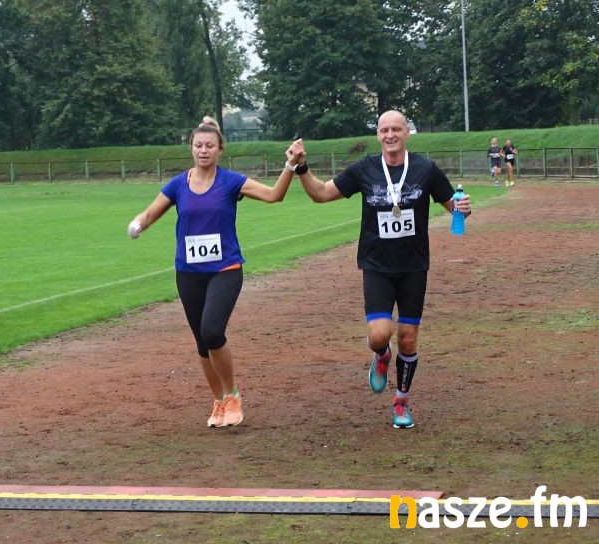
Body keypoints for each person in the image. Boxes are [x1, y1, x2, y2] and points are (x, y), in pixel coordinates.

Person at [287, 110, 471, 429]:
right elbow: (321, 193)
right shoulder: (365, 168)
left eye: (396, 129)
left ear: (407, 133)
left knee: (408, 340)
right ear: (377, 135)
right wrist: (301, 167)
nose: (390, 135)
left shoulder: (426, 169)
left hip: (413, 266)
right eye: (384, 130)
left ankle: (401, 402)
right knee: (379, 335)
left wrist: (463, 208)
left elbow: (453, 207)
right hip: (376, 266)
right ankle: (382, 355)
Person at [127, 117, 303, 428]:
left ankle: (232, 395)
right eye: (198, 145)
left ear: (220, 149)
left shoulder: (231, 181)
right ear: (191, 148)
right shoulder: (178, 184)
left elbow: (274, 195)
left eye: (209, 145)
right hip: (188, 272)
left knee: (212, 332)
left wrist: (290, 166)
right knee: (201, 342)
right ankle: (219, 401)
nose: (203, 150)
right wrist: (139, 224)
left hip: (225, 269)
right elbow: (152, 212)